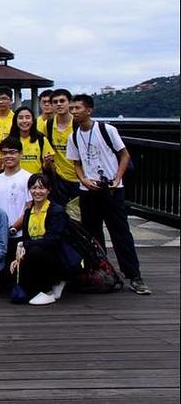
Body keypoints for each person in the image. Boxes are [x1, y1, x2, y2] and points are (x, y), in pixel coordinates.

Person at [65, 94, 150, 295]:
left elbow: (124, 154)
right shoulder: (73, 136)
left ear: (89, 110)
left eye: (77, 108)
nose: (74, 112)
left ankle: (134, 276)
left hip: (112, 190)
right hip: (88, 191)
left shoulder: (106, 130)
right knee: (92, 235)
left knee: (121, 234)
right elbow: (76, 163)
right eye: (72, 108)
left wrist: (117, 178)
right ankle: (102, 272)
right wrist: (83, 180)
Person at [11, 173, 68, 305]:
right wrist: (17, 257)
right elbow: (26, 236)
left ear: (49, 190)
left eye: (41, 188)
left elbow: (53, 240)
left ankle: (48, 289)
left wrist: (26, 245)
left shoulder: (56, 211)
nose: (37, 191)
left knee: (36, 251)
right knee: (17, 294)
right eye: (34, 188)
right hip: (33, 251)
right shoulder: (28, 212)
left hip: (54, 255)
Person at [0, 137, 31, 276]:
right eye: (4, 152)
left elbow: (29, 209)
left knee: (17, 274)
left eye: (12, 152)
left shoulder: (27, 178)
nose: (8, 156)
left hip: (19, 235)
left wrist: (13, 229)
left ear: (21, 154)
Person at [9, 106, 54, 175]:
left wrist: (48, 162)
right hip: (15, 179)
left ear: (33, 121)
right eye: (20, 118)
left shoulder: (41, 139)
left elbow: (48, 168)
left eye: (27, 118)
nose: (24, 121)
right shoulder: (9, 141)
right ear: (15, 121)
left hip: (36, 180)